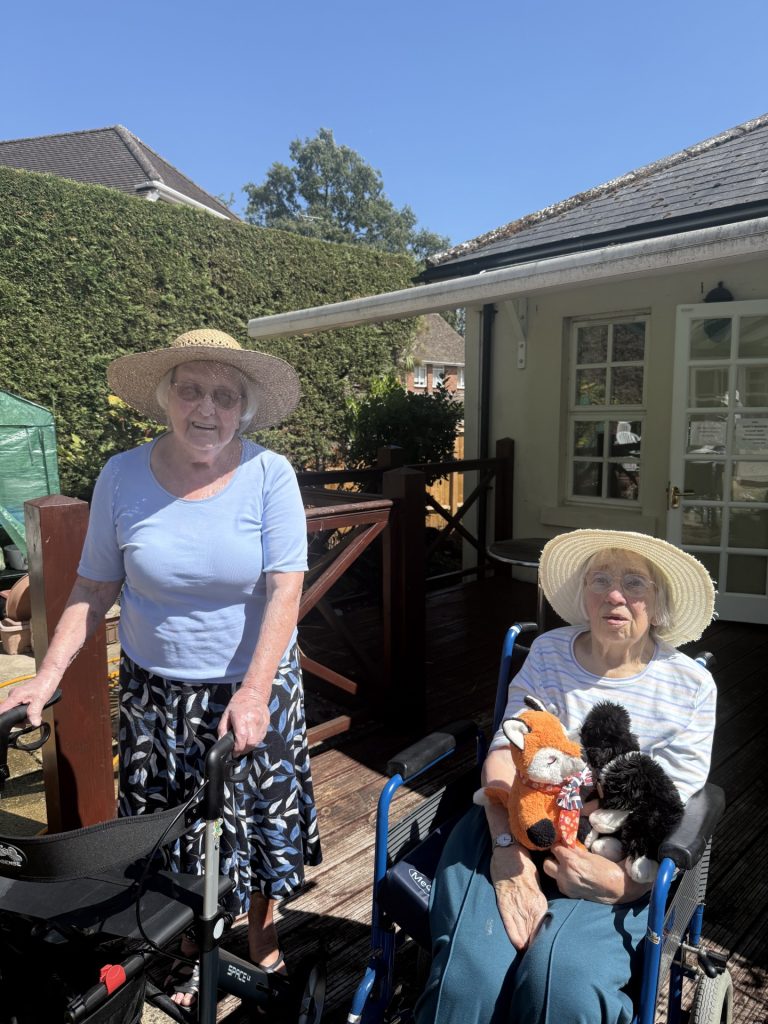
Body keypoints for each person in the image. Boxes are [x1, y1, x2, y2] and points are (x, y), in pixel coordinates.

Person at [1, 328, 322, 1006]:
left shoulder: (271, 474)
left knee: (261, 820)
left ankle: (261, 934)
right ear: (165, 397)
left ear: (245, 409)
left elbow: (285, 589)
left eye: (226, 396)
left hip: (253, 689)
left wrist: (258, 690)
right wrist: (47, 676)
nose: (208, 408)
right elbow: (92, 588)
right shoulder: (122, 474)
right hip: (158, 699)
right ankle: (180, 939)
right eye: (192, 390)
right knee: (167, 829)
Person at [415, 529, 716, 1024]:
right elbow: (501, 756)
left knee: (566, 983)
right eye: (600, 579)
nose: (614, 595)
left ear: (658, 604)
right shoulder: (550, 652)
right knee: (471, 979)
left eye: (634, 582)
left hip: (615, 853)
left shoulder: (691, 686)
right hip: (510, 824)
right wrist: (507, 851)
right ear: (583, 594)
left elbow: (670, 804)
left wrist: (625, 886)